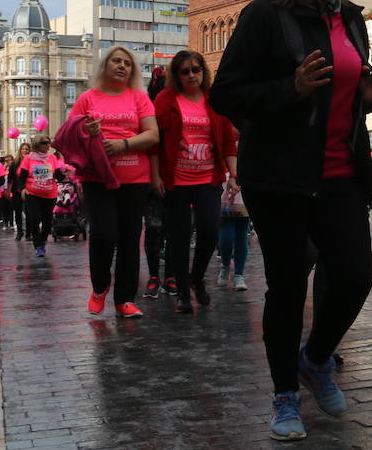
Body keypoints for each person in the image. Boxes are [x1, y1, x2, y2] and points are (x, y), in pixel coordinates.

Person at [211, 0, 372, 441]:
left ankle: (316, 357)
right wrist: (288, 90)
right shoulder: (265, 16)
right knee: (289, 286)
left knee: (356, 274)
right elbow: (226, 94)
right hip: (280, 177)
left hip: (343, 168)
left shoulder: (351, 16)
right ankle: (284, 397)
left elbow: (342, 94)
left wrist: (367, 94)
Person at [71, 47, 160, 317]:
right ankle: (100, 288)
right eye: (116, 61)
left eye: (127, 63)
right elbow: (70, 135)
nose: (122, 66)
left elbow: (153, 135)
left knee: (130, 239)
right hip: (97, 178)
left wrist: (123, 144)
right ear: (105, 65)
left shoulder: (139, 98)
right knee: (103, 234)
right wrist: (86, 131)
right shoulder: (88, 98)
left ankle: (125, 300)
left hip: (135, 178)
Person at [152, 49, 238, 313]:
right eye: (185, 71)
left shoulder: (214, 100)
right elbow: (156, 141)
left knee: (210, 231)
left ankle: (196, 278)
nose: (191, 75)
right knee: (178, 236)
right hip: (176, 179)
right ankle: (182, 294)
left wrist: (233, 175)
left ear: (203, 72)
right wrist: (155, 175)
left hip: (208, 177)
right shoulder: (166, 99)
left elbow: (226, 141)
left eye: (196, 69)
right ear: (177, 75)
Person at [15, 135, 60, 257]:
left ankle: (43, 240)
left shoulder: (52, 157)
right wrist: (22, 189)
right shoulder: (28, 158)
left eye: (48, 143)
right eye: (44, 143)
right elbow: (22, 177)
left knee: (47, 220)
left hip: (50, 193)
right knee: (35, 219)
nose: (47, 145)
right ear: (37, 144)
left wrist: (65, 172)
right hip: (33, 193)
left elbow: (58, 175)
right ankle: (38, 246)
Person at [218, 170, 251, 292]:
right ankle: (225, 265)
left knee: (241, 236)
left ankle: (239, 275)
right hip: (224, 190)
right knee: (226, 238)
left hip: (244, 191)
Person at [8, 143, 30, 240]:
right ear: (20, 151)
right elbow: (10, 178)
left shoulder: (32, 162)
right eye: (23, 149)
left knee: (29, 212)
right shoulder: (15, 163)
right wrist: (8, 190)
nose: (25, 151)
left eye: (27, 149)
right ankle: (20, 232)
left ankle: (29, 233)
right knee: (18, 212)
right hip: (17, 191)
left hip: (30, 190)